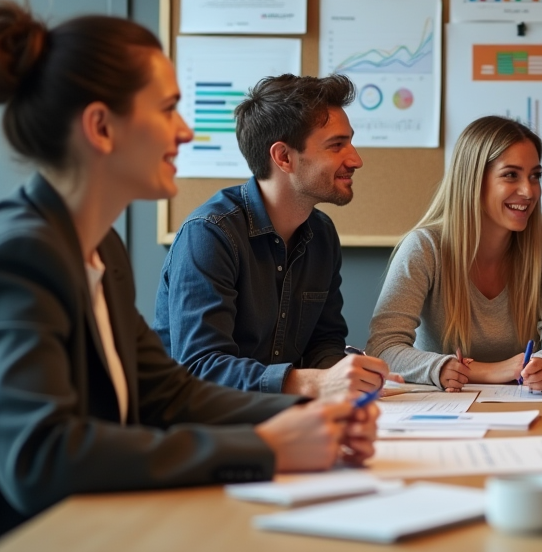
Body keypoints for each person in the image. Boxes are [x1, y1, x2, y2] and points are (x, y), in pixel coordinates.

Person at [0, 0, 377, 552]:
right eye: (166, 109)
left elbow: (167, 392)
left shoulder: (99, 247)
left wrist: (310, 416)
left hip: (96, 523)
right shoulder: (15, 255)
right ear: (101, 127)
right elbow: (39, 458)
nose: (185, 131)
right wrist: (265, 447)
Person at [155, 74, 391, 398]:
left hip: (284, 418)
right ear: (283, 157)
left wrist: (348, 375)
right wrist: (314, 383)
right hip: (205, 431)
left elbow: (324, 343)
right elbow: (201, 368)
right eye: (337, 145)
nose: (355, 159)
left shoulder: (321, 235)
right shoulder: (210, 235)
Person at [367, 116, 542, 391]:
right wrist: (480, 371)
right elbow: (383, 347)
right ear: (472, 180)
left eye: (535, 176)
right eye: (511, 175)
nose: (528, 191)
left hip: (527, 404)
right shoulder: (424, 247)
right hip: (445, 408)